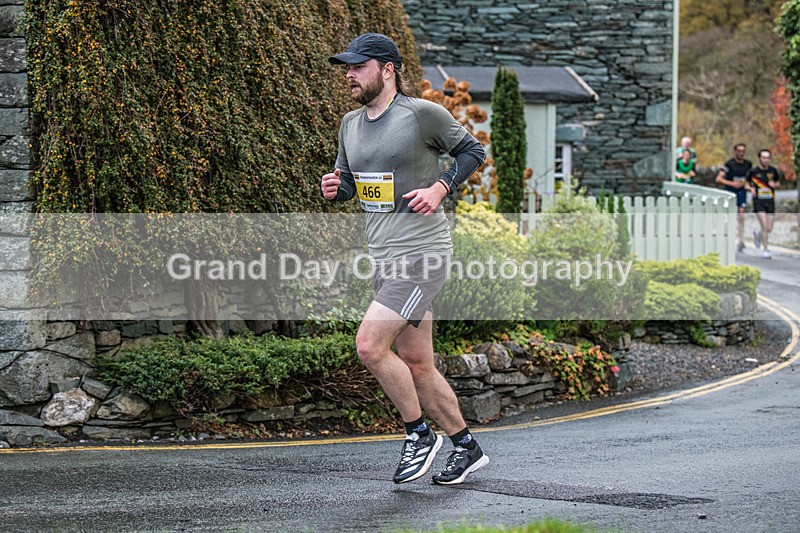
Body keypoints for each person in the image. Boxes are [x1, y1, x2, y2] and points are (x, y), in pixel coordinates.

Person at [320, 33, 489, 485]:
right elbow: (356, 182)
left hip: (422, 255)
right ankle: (467, 448)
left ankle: (419, 434)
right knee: (418, 364)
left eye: (359, 66)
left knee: (369, 347)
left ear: (387, 69)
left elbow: (474, 150)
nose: (350, 75)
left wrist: (439, 188)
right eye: (348, 68)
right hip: (384, 257)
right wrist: (338, 189)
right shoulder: (349, 124)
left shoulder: (422, 115)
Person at [715, 143, 752, 252]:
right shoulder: (729, 164)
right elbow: (718, 179)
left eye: (743, 151)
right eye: (739, 151)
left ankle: (741, 240)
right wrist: (732, 183)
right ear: (735, 151)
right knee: (729, 215)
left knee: (741, 214)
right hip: (730, 192)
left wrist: (749, 187)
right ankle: (726, 237)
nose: (741, 153)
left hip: (741, 192)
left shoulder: (748, 164)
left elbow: (750, 179)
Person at [746, 149, 780, 259]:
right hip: (758, 201)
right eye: (764, 158)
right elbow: (746, 184)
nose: (766, 160)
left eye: (768, 158)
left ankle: (758, 233)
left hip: (770, 201)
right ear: (760, 158)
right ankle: (766, 250)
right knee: (764, 225)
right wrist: (751, 188)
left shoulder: (773, 171)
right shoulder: (753, 171)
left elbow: (778, 183)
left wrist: (774, 185)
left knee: (769, 228)